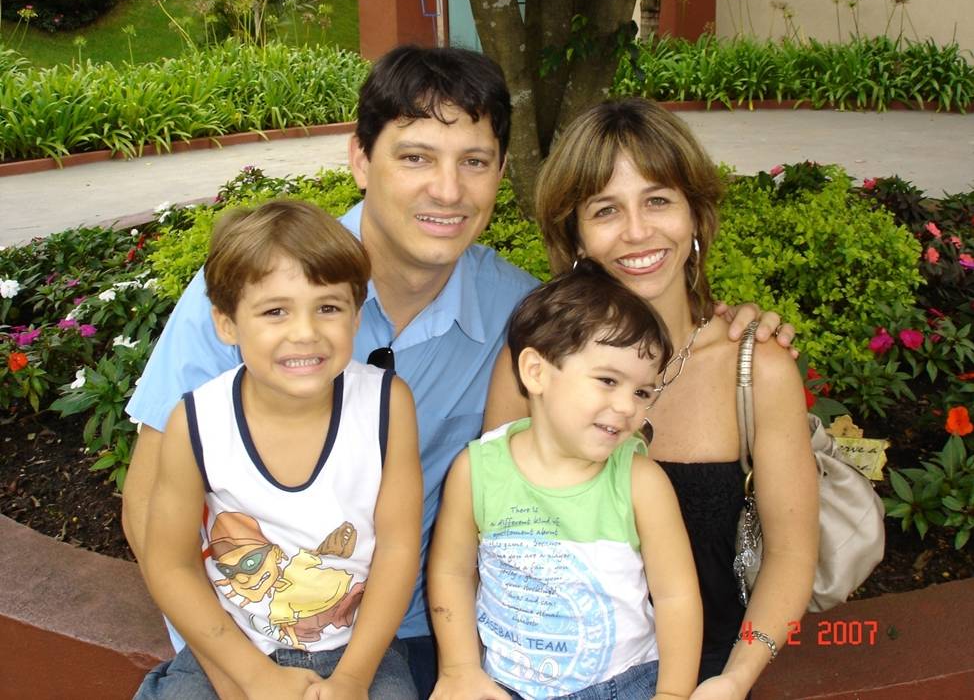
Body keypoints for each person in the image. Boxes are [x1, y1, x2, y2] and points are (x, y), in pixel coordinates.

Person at [122, 44, 793, 698]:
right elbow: (150, 510)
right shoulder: (255, 296)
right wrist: (243, 675)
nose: (447, 190)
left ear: (500, 173)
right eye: (416, 157)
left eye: (474, 161)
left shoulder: (523, 319)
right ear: (360, 159)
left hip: (419, 637)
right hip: (246, 637)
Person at [507, 97, 819, 700]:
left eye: (658, 201)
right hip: (551, 676)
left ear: (695, 214)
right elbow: (489, 530)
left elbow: (790, 556)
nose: (637, 231)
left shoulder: (757, 369)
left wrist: (735, 679)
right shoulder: (535, 364)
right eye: (606, 209)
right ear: (576, 235)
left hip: (708, 675)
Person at [135, 200, 422, 699]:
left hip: (356, 649)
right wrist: (254, 677)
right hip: (234, 649)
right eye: (275, 312)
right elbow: (170, 564)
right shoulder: (196, 422)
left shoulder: (386, 405)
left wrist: (353, 678)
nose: (305, 333)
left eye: (328, 307)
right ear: (226, 323)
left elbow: (398, 549)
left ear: (357, 316)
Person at [428, 259, 703, 700]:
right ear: (536, 372)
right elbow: (452, 571)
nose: (627, 406)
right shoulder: (478, 470)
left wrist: (672, 694)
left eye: (641, 392)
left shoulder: (640, 483)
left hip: (624, 685)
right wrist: (459, 668)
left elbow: (677, 598)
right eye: (608, 380)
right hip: (504, 686)